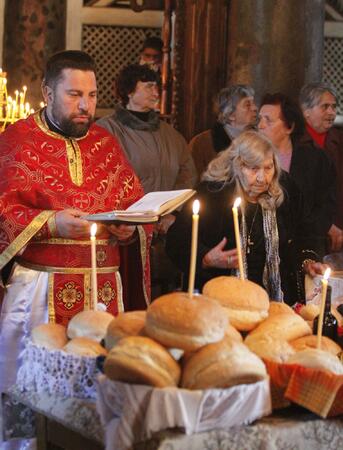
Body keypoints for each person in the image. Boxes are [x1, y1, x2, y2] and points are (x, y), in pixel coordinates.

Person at [0, 51, 152, 443]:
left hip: (104, 294)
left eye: (92, 94)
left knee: (100, 399)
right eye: (74, 94)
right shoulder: (15, 140)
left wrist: (128, 229)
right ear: (47, 92)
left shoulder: (105, 142)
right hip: (40, 292)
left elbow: (131, 202)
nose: (85, 105)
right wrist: (52, 222)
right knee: (30, 394)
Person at [166, 131, 325, 305]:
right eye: (253, 168)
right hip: (219, 299)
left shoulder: (286, 191)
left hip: (276, 300)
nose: (261, 178)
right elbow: (176, 242)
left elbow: (307, 233)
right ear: (236, 165)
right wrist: (205, 258)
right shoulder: (212, 194)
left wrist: (308, 262)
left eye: (268, 168)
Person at [97, 64, 196, 296]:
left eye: (157, 87)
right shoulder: (106, 130)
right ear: (129, 91)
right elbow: (104, 178)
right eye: (149, 86)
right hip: (125, 231)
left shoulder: (171, 135)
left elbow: (187, 175)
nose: (156, 92)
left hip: (167, 231)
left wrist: (173, 212)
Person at [258, 92, 336, 257]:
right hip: (262, 247)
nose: (260, 125)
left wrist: (306, 235)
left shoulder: (316, 159)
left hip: (304, 248)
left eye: (268, 120)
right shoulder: (251, 159)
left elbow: (325, 206)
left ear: (289, 127)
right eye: (260, 119)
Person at [299, 82, 343, 252]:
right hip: (308, 233)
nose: (331, 112)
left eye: (333, 107)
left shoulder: (339, 140)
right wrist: (326, 225)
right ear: (306, 111)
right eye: (325, 106)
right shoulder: (295, 142)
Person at [188, 85, 257, 179]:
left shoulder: (260, 140)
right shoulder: (201, 143)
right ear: (230, 114)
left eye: (253, 103)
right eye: (247, 105)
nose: (255, 108)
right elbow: (195, 180)